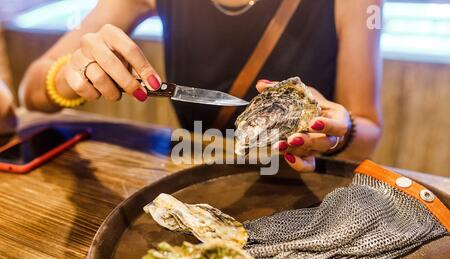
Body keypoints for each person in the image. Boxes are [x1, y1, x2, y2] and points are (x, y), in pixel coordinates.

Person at [20, 0, 383, 172]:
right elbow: (31, 89)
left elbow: (367, 127)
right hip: (190, 180)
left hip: (302, 193)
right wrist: (73, 75)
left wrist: (338, 130)